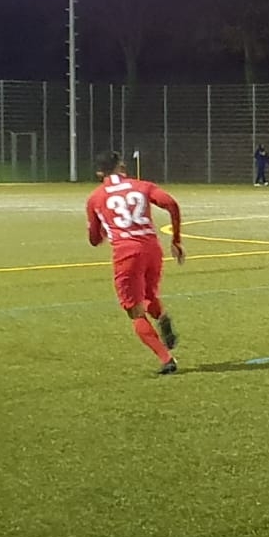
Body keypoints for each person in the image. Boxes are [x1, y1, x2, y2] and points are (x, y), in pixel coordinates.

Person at [86, 151, 185, 374]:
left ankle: (166, 359)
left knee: (134, 310)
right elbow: (171, 204)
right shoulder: (143, 186)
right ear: (121, 166)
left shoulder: (95, 198)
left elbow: (94, 240)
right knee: (149, 295)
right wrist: (176, 240)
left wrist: (101, 229)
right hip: (152, 249)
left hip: (126, 253)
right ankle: (161, 316)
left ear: (99, 173)